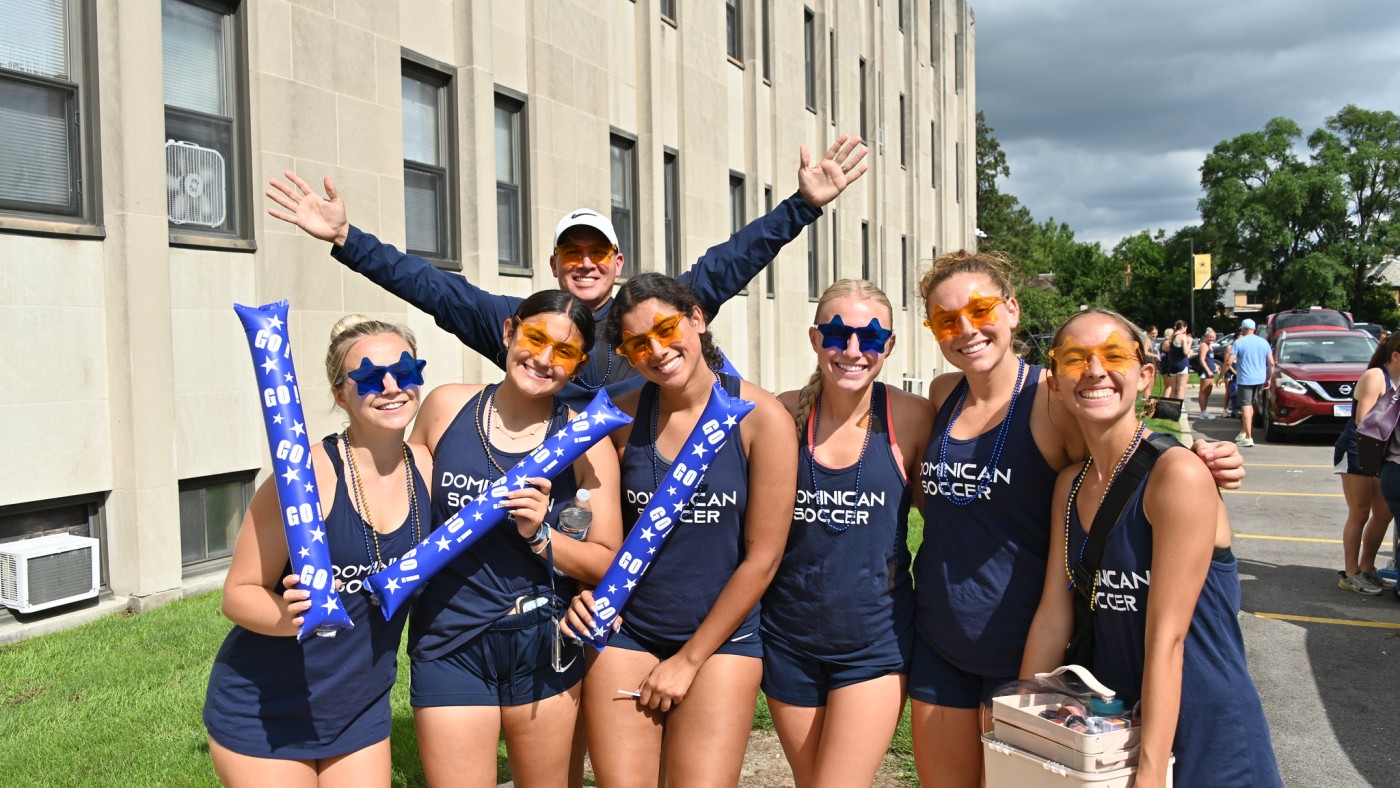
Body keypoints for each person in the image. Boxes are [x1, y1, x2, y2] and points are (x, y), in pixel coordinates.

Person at [908, 251, 1245, 788]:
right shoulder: (943, 395)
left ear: (1012, 310)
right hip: (943, 639)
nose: (966, 328)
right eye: (947, 319)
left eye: (980, 308)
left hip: (1023, 646)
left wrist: (1199, 458)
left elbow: (1123, 440)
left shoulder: (1054, 398)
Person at [265, 135, 869, 410]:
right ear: (553, 264)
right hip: (551, 506)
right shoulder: (520, 324)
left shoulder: (648, 317)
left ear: (617, 263)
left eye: (597, 253)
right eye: (571, 254)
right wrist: (346, 238)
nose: (585, 263)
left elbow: (731, 261)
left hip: (642, 495)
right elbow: (427, 287)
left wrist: (802, 207)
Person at [1020, 307, 1282, 788]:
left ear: (1144, 376)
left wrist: (1151, 772)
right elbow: (1052, 617)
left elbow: (1169, 639)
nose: (1095, 370)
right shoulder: (1070, 487)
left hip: (1205, 730)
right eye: (1075, 359)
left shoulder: (1176, 475)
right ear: (1054, 383)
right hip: (1117, 729)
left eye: (1113, 355)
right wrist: (1024, 730)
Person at [560, 273, 797, 787]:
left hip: (721, 640)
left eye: (667, 329)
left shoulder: (763, 419)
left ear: (696, 318)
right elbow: (583, 513)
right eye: (637, 343)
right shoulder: (619, 415)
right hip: (628, 631)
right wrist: (584, 589)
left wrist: (688, 661)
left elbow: (764, 558)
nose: (657, 350)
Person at [404, 290, 623, 787]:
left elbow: (607, 563)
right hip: (448, 636)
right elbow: (403, 505)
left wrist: (542, 536)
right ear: (510, 332)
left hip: (540, 641)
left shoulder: (588, 441)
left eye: (563, 352)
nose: (544, 359)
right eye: (535, 338)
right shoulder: (446, 406)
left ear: (579, 363)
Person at [204, 316, 432, 785]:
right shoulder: (304, 475)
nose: (391, 386)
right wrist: (285, 618)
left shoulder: (428, 467)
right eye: (369, 377)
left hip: (358, 707)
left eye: (405, 370)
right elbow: (238, 593)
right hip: (266, 706)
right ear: (340, 394)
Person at [762, 280, 933, 787]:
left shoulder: (910, 417)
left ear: (890, 346)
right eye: (838, 334)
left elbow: (952, 517)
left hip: (874, 645)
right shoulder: (783, 414)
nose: (853, 350)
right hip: (788, 641)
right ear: (816, 340)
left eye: (871, 338)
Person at [1333, 331, 1400, 595]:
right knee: (1359, 512)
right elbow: (1364, 421)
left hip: (1380, 454)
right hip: (1357, 450)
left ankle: (1367, 567)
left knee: (1384, 513)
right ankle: (1350, 574)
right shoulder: (1375, 376)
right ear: (1396, 355)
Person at [1224, 318, 1274, 447]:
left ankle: (1248, 437)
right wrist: (1269, 378)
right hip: (1260, 378)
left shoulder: (1239, 342)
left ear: (1243, 329)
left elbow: (1229, 362)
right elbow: (1271, 363)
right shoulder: (1264, 343)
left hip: (1245, 378)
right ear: (1255, 329)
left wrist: (1220, 376)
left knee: (1245, 406)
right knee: (1251, 405)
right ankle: (1243, 432)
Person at [1195, 327, 1220, 418]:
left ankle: (1205, 411)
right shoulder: (1204, 345)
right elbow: (1202, 360)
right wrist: (1208, 370)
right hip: (1205, 372)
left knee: (1208, 392)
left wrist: (1215, 366)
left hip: (1210, 372)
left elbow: (1210, 359)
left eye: (1213, 337)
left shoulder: (1210, 346)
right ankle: (1202, 412)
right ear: (1205, 337)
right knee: (1203, 392)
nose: (1212, 339)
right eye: (1210, 337)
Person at [1163, 320, 1191, 400]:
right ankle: (1178, 409)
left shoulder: (1172, 336)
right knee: (1180, 389)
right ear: (1183, 327)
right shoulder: (1182, 337)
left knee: (1173, 389)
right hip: (1182, 364)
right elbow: (1185, 352)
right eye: (1186, 328)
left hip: (1173, 365)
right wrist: (1189, 343)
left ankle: (1172, 408)